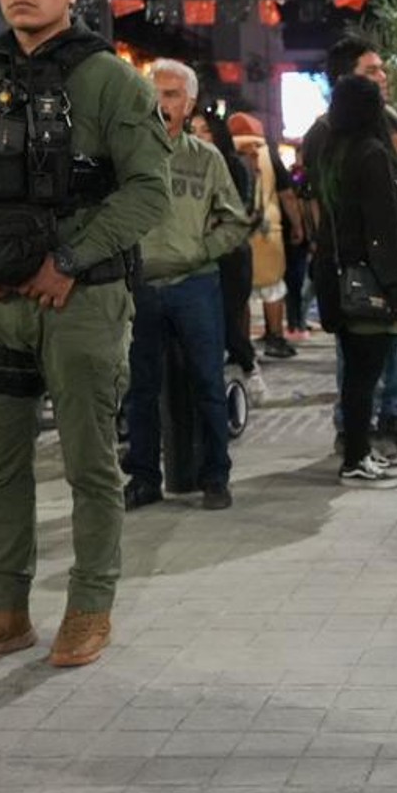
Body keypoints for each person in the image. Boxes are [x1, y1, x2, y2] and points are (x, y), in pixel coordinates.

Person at [0, 0, 171, 670]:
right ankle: (3, 611)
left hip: (81, 302)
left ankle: (90, 605)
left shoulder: (112, 81)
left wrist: (69, 259)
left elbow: (148, 191)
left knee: (91, 466)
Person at [122, 60, 251, 513]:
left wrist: (201, 251)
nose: (160, 102)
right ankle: (143, 479)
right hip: (140, 287)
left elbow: (235, 221)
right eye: (154, 93)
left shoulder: (207, 159)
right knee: (140, 389)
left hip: (195, 284)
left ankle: (215, 477)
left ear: (189, 104)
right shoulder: (125, 154)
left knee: (208, 383)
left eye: (172, 94)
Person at [303, 37, 397, 452]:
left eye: (382, 69)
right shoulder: (327, 132)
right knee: (363, 353)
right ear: (345, 80)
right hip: (361, 264)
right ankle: (356, 432)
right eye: (370, 71)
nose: (382, 76)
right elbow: (324, 205)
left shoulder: (395, 120)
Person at [312, 73, 397, 487]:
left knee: (355, 374)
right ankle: (355, 459)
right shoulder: (372, 154)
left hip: (337, 277)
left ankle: (359, 452)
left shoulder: (332, 151)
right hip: (368, 282)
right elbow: (382, 229)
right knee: (365, 377)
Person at [190, 111, 266, 404]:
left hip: (231, 255)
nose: (198, 135)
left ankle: (248, 368)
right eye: (194, 129)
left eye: (205, 130)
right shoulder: (186, 163)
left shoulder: (234, 165)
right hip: (197, 256)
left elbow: (239, 213)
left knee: (228, 320)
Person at [229, 112, 296, 360]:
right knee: (273, 287)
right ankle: (275, 337)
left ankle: (242, 343)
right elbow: (287, 194)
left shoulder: (225, 153)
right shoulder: (269, 154)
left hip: (235, 230)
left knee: (241, 292)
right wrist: (298, 225)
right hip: (268, 229)